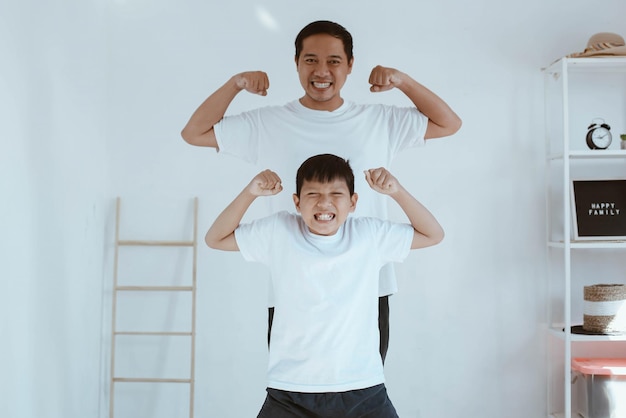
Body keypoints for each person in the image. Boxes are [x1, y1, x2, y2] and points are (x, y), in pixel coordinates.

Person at [181, 20, 461, 361]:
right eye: (310, 60)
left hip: (366, 286)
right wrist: (235, 84)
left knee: (362, 393)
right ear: (296, 63)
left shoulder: (378, 120)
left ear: (350, 65)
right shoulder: (268, 123)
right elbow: (194, 133)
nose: (322, 71)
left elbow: (449, 124)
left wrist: (401, 80)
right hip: (293, 286)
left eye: (334, 61)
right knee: (296, 393)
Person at [205, 154, 444, 418]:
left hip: (362, 388)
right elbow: (216, 238)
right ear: (296, 202)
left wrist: (397, 192)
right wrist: (250, 192)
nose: (324, 202)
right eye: (313, 194)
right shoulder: (279, 231)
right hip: (290, 391)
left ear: (353, 202)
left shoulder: (369, 235)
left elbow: (433, 234)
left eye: (336, 193)